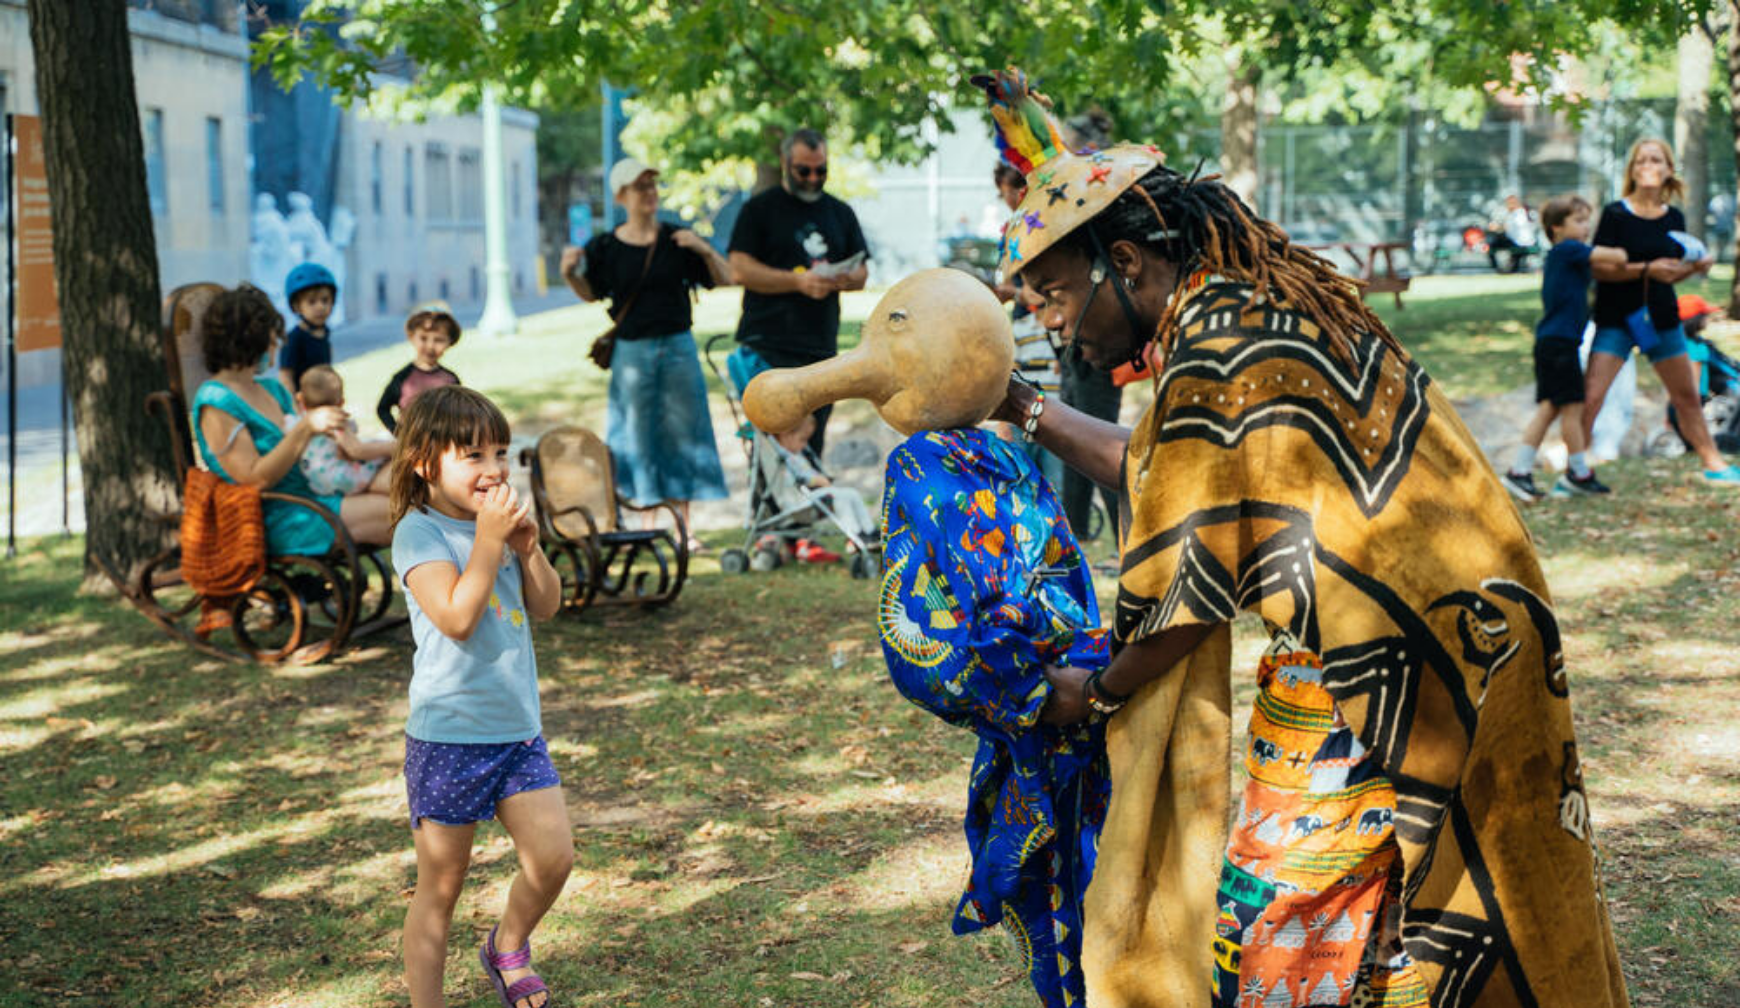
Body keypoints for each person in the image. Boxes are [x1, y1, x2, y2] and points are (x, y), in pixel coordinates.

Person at [976, 67, 1627, 1008]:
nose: (1051, 323)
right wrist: (1022, 406)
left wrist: (1099, 691)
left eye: (1053, 294)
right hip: (1472, 629)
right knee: (1427, 911)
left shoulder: (1217, 352)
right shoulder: (1244, 307)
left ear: (1125, 260)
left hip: (1400, 659)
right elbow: (1164, 470)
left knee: (1283, 922)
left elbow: (1181, 593)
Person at [739, 269, 1110, 1007]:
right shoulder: (1009, 454)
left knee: (1058, 888)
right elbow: (1052, 575)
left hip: (1037, 696)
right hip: (1071, 681)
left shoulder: (919, 463)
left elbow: (958, 611)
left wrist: (1025, 690)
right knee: (1082, 876)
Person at [389, 385, 567, 1008]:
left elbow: (546, 604)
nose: (493, 469)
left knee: (553, 859)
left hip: (516, 731)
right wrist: (490, 541)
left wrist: (528, 550)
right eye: (473, 455)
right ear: (423, 463)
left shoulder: (499, 528)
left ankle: (507, 945)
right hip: (450, 738)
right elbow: (457, 618)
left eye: (500, 453)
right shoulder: (418, 534)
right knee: (441, 887)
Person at [559, 157, 732, 551]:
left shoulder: (677, 239)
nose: (650, 193)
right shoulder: (605, 247)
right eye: (640, 187)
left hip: (678, 346)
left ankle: (684, 529)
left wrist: (704, 250)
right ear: (621, 196)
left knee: (684, 434)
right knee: (637, 436)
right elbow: (592, 294)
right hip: (633, 352)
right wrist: (569, 274)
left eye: (652, 185)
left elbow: (726, 278)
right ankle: (646, 527)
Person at [1585, 138, 1740, 486]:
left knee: (1686, 396)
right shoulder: (1615, 214)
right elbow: (1598, 269)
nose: (1647, 166)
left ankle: (1714, 464)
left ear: (1669, 169)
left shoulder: (1673, 217)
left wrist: (1695, 267)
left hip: (1661, 318)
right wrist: (1645, 269)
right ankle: (1576, 469)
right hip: (1616, 318)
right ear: (1632, 170)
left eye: (1655, 160)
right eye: (1640, 160)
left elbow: (1670, 273)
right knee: (1593, 395)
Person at [193, 284, 392, 555]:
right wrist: (307, 426)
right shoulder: (216, 401)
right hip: (283, 514)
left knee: (416, 482)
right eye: (272, 337)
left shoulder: (272, 390)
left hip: (318, 490)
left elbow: (313, 451)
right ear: (251, 339)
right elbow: (252, 480)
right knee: (408, 512)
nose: (277, 345)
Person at [728, 126, 870, 459]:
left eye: (821, 170)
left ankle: (813, 494)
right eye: (803, 171)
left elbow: (862, 273)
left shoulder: (840, 212)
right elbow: (739, 269)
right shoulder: (759, 209)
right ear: (784, 162)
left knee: (811, 445)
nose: (812, 178)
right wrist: (798, 282)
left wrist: (843, 279)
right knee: (775, 451)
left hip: (820, 347)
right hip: (769, 346)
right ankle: (776, 497)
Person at [1501, 195, 1628, 501]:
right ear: (1556, 228)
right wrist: (1624, 250)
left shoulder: (1569, 255)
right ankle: (1567, 473)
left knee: (1556, 408)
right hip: (1558, 345)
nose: (1586, 227)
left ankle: (1533, 471)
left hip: (1558, 343)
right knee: (1567, 408)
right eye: (1579, 221)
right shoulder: (1567, 250)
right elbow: (1615, 256)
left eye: (1588, 221)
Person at [991, 161, 1068, 492]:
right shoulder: (1012, 231)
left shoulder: (1041, 228)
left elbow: (1045, 287)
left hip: (1045, 338)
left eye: (1009, 192)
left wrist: (1020, 292)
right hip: (1025, 329)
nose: (1007, 200)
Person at [758, 413, 877, 563]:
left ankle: (869, 531)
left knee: (851, 493)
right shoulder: (782, 458)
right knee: (839, 499)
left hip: (809, 497)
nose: (804, 445)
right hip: (797, 502)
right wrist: (815, 480)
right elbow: (792, 480)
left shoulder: (796, 456)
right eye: (802, 440)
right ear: (785, 435)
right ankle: (855, 535)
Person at [293, 365, 394, 497]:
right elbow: (357, 450)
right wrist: (392, 448)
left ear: (300, 399)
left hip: (317, 484)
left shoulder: (297, 422)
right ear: (341, 402)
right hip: (344, 480)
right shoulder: (333, 420)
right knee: (380, 449)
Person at [378, 302, 463, 435]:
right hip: (411, 441)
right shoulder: (402, 378)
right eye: (423, 338)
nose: (430, 346)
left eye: (439, 340)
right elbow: (382, 408)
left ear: (450, 342)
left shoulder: (451, 380)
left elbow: (461, 412)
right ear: (412, 337)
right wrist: (397, 432)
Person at [277, 262, 338, 394]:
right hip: (301, 400)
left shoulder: (325, 332)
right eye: (312, 302)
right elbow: (285, 376)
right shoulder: (293, 338)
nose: (320, 307)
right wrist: (293, 404)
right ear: (296, 306)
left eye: (325, 300)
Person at [1485, 194, 1539, 273]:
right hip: (1516, 242)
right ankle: (1500, 269)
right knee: (1492, 246)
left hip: (1521, 243)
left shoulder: (1519, 213)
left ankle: (1500, 269)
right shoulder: (1513, 213)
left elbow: (1504, 227)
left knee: (1494, 244)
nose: (1510, 205)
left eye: (1512, 203)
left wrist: (1497, 227)